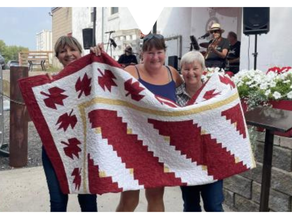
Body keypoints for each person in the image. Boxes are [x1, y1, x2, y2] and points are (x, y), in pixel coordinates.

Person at [92, 33, 183, 212]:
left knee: (156, 197)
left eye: (159, 52)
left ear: (165, 52)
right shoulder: (131, 72)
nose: (155, 57)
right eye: (150, 52)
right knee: (129, 200)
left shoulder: (173, 74)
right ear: (142, 53)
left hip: (160, 145)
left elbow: (188, 97)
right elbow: (106, 80)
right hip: (133, 144)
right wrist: (99, 57)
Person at [43, 36, 98, 212]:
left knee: (88, 201)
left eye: (72, 49)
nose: (68, 54)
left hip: (85, 147)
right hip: (56, 148)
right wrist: (46, 88)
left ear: (80, 51)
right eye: (62, 51)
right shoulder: (52, 82)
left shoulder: (93, 75)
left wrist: (100, 58)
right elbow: (38, 116)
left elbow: (117, 81)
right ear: (57, 56)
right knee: (58, 202)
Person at [176, 51, 224, 212]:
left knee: (214, 206)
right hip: (186, 160)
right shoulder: (174, 96)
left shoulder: (216, 93)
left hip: (212, 159)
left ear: (203, 69)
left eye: (195, 68)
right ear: (181, 71)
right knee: (190, 207)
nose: (191, 73)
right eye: (186, 69)